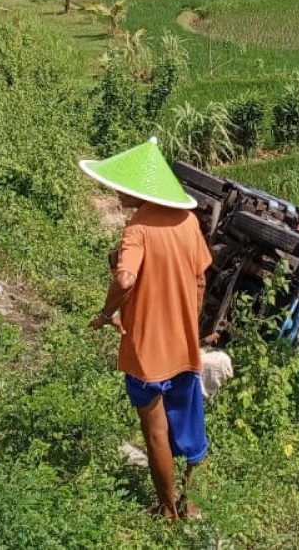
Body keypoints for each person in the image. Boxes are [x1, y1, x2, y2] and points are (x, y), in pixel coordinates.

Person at [83, 137, 212, 520]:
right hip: (184, 348)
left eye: (121, 185)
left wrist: (107, 313)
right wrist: (190, 322)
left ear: (138, 189)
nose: (116, 190)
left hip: (144, 354)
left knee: (156, 433)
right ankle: (191, 504)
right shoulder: (188, 223)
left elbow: (125, 279)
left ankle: (167, 510)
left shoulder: (136, 230)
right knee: (190, 428)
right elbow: (201, 280)